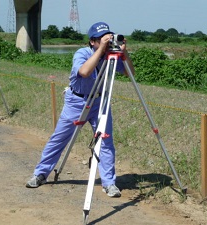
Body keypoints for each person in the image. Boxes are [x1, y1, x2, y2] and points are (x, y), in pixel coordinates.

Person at [26, 22, 134, 198]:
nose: (107, 41)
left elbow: (130, 73)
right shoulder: (82, 53)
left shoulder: (111, 55)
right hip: (77, 101)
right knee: (59, 139)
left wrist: (123, 51)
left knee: (105, 142)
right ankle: (41, 173)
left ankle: (109, 183)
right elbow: (84, 72)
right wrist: (101, 52)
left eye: (109, 37)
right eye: (102, 39)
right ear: (92, 41)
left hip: (100, 101)